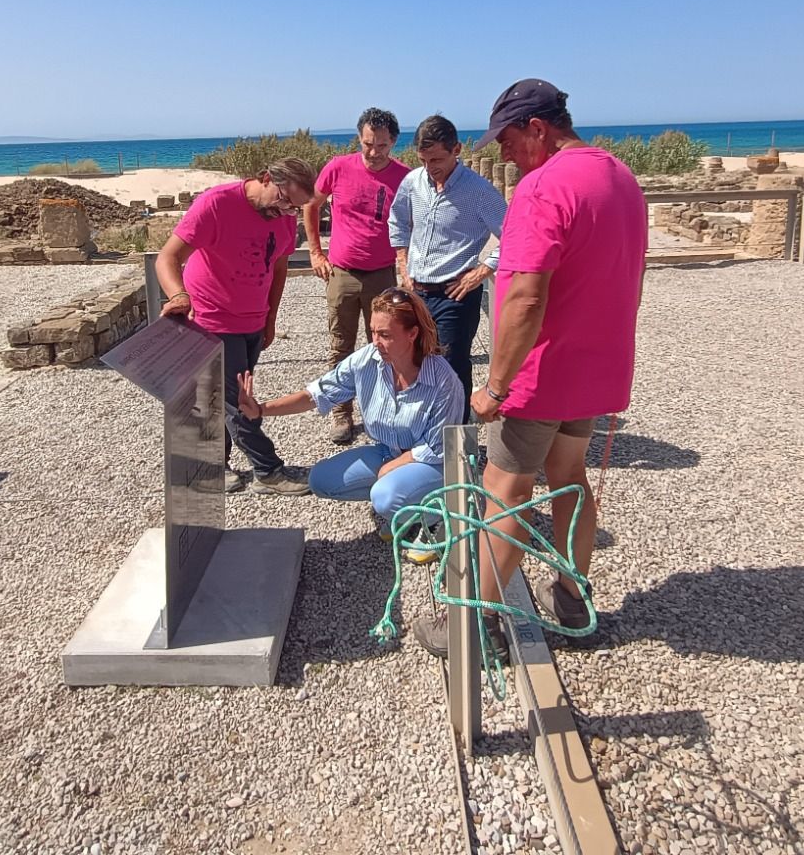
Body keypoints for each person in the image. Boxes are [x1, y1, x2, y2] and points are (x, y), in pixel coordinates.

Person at [413, 79, 646, 658]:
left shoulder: (543, 188)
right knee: (569, 477)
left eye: (510, 140)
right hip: (596, 366)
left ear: (538, 128)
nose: (503, 154)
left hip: (540, 372)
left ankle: (474, 625)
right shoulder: (620, 176)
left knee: (505, 489)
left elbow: (523, 299)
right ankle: (572, 595)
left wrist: (495, 385)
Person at [236, 288, 463, 541]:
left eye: (385, 335)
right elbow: (317, 393)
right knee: (321, 480)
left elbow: (438, 448)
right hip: (389, 450)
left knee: (384, 495)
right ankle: (402, 507)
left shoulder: (443, 381)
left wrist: (391, 469)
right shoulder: (367, 360)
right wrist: (261, 409)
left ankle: (437, 515)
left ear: (412, 334)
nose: (375, 342)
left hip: (434, 463)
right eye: (373, 332)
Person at [155, 157, 317, 496]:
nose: (287, 211)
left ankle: (213, 466)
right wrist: (179, 295)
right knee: (237, 403)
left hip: (252, 322)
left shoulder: (284, 220)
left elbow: (279, 268)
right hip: (212, 319)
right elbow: (168, 257)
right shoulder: (217, 204)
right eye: (284, 200)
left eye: (295, 208)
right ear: (266, 178)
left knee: (225, 399)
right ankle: (268, 471)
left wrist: (270, 318)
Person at [388, 114, 506, 420]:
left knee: (452, 368)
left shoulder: (479, 191)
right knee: (413, 361)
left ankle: (456, 442)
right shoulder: (413, 182)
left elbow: (516, 236)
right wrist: (402, 263)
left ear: (457, 150)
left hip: (456, 294)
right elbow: (397, 221)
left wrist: (483, 270)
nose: (431, 167)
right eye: (424, 159)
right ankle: (423, 432)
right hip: (416, 292)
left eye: (437, 158)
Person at [304, 107, 410, 445]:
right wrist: (315, 251)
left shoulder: (404, 177)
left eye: (381, 145)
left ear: (393, 142)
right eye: (367, 144)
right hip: (343, 271)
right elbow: (311, 203)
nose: (374, 153)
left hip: (382, 273)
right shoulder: (338, 167)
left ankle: (380, 411)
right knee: (341, 345)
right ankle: (341, 411)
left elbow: (415, 221)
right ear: (359, 139)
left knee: (384, 346)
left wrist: (407, 264)